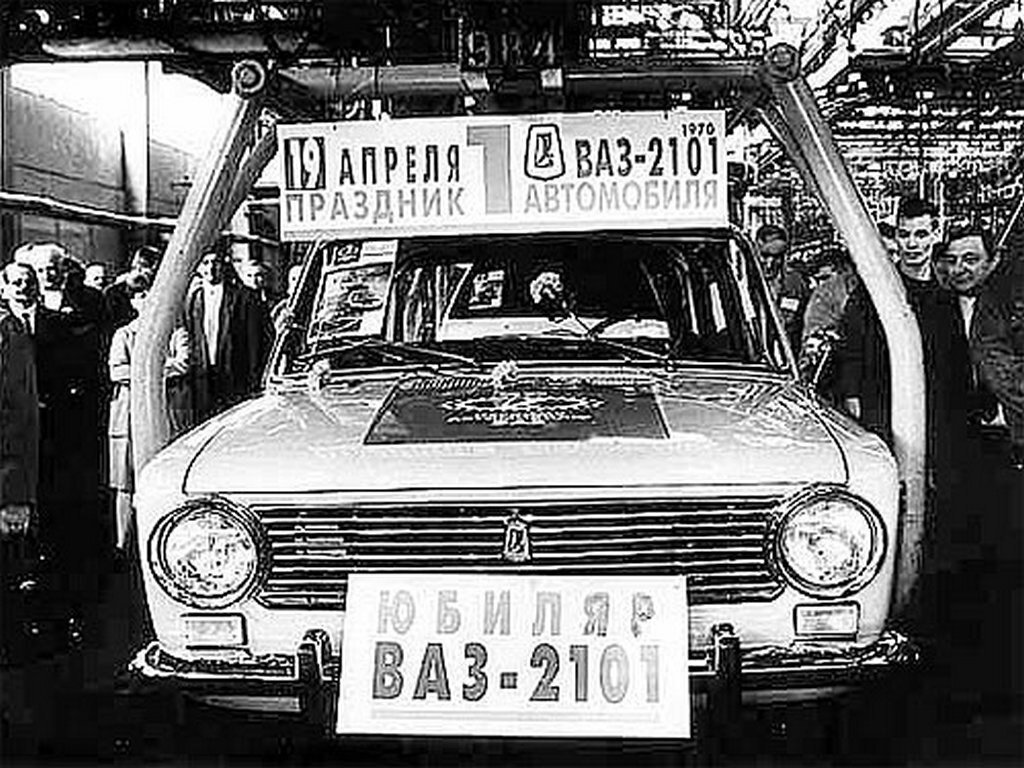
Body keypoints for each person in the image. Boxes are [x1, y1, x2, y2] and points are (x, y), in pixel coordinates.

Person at [107, 272, 190, 551]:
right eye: (140, 296)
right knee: (125, 481)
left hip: (169, 409)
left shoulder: (176, 332)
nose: (146, 301)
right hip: (129, 415)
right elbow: (116, 371)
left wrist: (142, 370)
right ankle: (122, 544)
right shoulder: (124, 334)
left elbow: (184, 364)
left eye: (151, 295)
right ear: (133, 302)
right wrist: (156, 369)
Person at [185, 244, 272, 422]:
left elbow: (259, 341)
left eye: (215, 262)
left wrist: (255, 381)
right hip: (203, 380)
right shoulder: (193, 299)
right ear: (199, 268)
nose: (211, 268)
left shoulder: (246, 297)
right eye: (205, 263)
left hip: (236, 378)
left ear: (224, 264)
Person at [756, 224, 809, 352]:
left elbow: (786, 321)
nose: (770, 263)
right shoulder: (747, 279)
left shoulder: (793, 282)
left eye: (777, 257)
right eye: (764, 256)